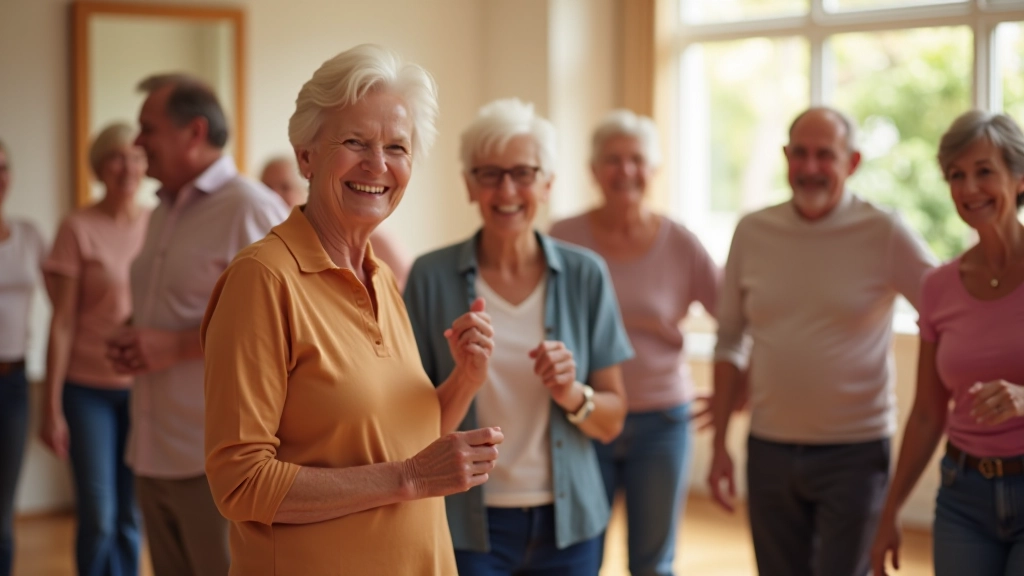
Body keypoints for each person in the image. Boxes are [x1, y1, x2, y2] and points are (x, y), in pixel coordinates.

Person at [202, 44, 502, 576]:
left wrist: (464, 382)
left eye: (397, 147)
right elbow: (240, 483)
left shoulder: (383, 279)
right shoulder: (263, 279)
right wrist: (409, 478)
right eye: (355, 142)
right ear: (306, 155)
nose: (378, 165)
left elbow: (401, 443)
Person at [404, 98, 633, 575]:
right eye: (489, 173)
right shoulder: (430, 277)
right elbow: (407, 426)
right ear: (469, 185)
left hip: (570, 525)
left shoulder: (585, 275)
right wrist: (463, 377)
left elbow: (612, 420)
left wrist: (572, 393)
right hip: (467, 524)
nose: (506, 189)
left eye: (523, 172)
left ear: (547, 184)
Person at [708, 107, 935, 576]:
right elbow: (730, 336)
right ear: (786, 156)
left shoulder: (884, 231)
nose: (810, 168)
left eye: (825, 156)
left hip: (855, 452)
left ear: (852, 162)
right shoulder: (752, 230)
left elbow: (946, 308)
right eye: (800, 154)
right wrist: (718, 447)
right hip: (768, 449)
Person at [105, 74, 287, 576]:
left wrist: (177, 346)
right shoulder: (162, 209)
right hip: (152, 450)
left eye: (148, 128)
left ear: (195, 132)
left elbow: (275, 328)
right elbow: (190, 303)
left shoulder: (249, 208)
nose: (137, 142)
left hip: (212, 462)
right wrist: (133, 329)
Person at [550, 109, 720, 576]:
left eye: (636, 159)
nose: (625, 170)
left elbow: (735, 315)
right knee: (579, 557)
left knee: (652, 563)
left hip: (662, 421)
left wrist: (735, 387)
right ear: (593, 170)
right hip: (585, 417)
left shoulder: (681, 242)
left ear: (653, 169)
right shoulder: (562, 238)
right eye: (612, 159)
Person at [871, 110, 1024, 576]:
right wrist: (889, 510)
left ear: (1019, 179)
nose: (969, 189)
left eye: (984, 172)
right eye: (956, 175)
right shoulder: (938, 287)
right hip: (963, 495)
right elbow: (926, 413)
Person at [39, 123, 148, 576]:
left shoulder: (158, 222)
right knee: (99, 516)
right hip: (87, 392)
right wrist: (51, 407)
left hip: (144, 389)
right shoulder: (78, 227)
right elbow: (61, 322)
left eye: (136, 156)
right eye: (116, 157)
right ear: (100, 167)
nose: (128, 167)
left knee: (131, 515)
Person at [260, 154, 413, 288]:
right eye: (266, 188)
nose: (274, 196)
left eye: (285, 188)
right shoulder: (265, 250)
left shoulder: (373, 240)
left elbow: (412, 295)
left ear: (306, 190)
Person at [0, 139, 46, 576]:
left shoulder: (30, 235)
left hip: (14, 382)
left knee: (3, 509)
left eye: (2, 167)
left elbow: (69, 303)